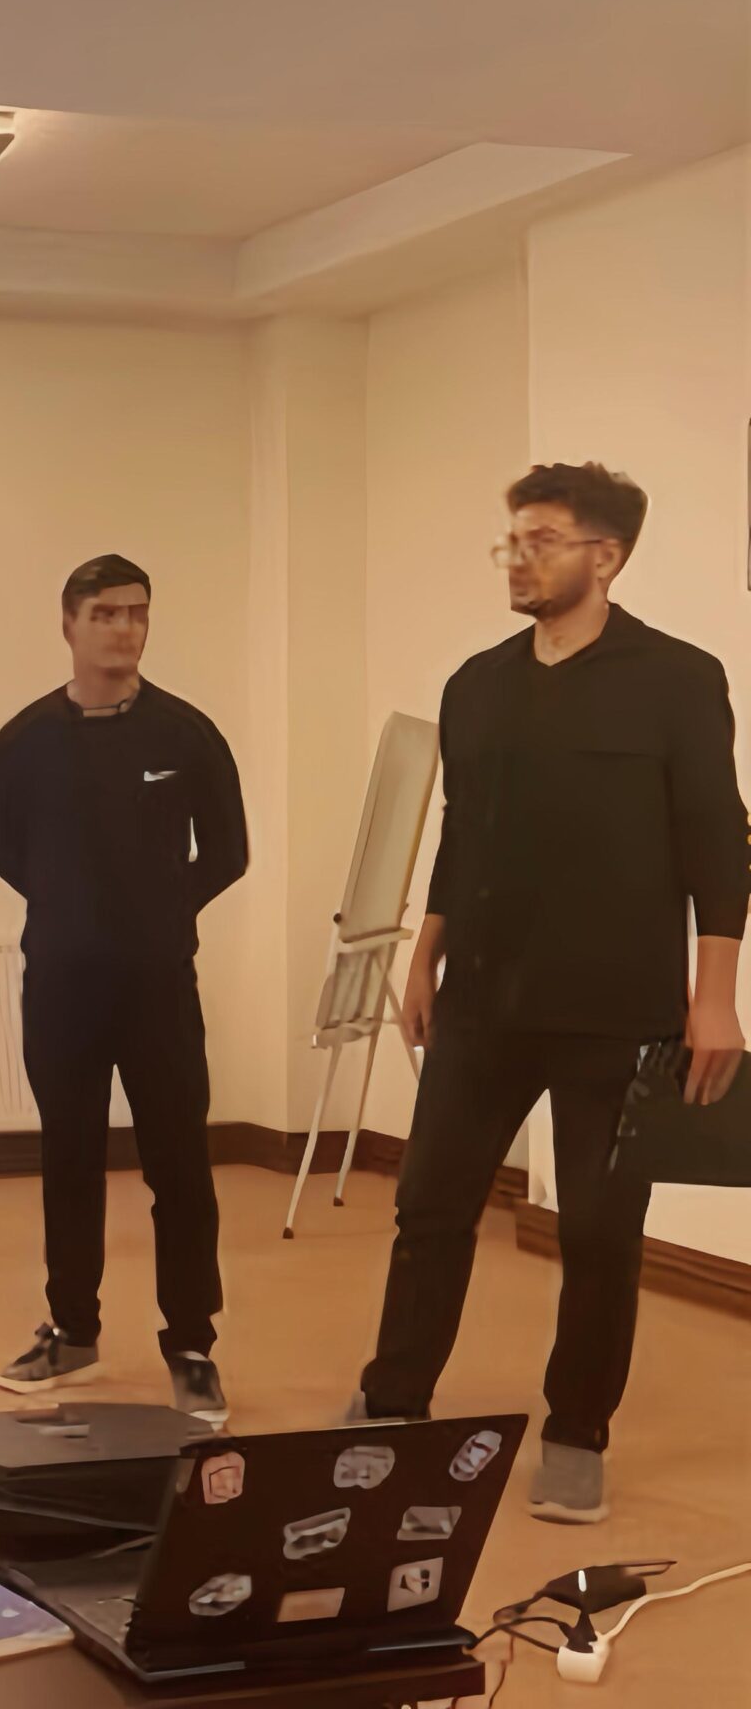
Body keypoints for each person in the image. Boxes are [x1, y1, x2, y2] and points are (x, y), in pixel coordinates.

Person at [351, 463, 744, 1525]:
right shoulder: (476, 685)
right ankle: (392, 1402)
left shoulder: (677, 679)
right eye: (512, 541)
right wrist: (424, 953)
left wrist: (715, 997)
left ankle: (576, 1432)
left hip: (620, 1010)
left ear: (604, 557)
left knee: (601, 1235)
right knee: (429, 1208)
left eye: (541, 541)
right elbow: (462, 833)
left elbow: (717, 843)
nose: (517, 559)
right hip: (484, 1000)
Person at [0, 555, 247, 1422]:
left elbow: (228, 852)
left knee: (180, 1167)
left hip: (158, 985)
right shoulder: (25, 740)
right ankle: (73, 1331)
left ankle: (193, 1346)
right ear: (69, 624)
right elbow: (6, 851)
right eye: (105, 613)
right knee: (70, 1159)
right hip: (62, 984)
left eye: (137, 612)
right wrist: (76, 911)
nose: (124, 628)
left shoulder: (187, 735)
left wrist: (158, 911)